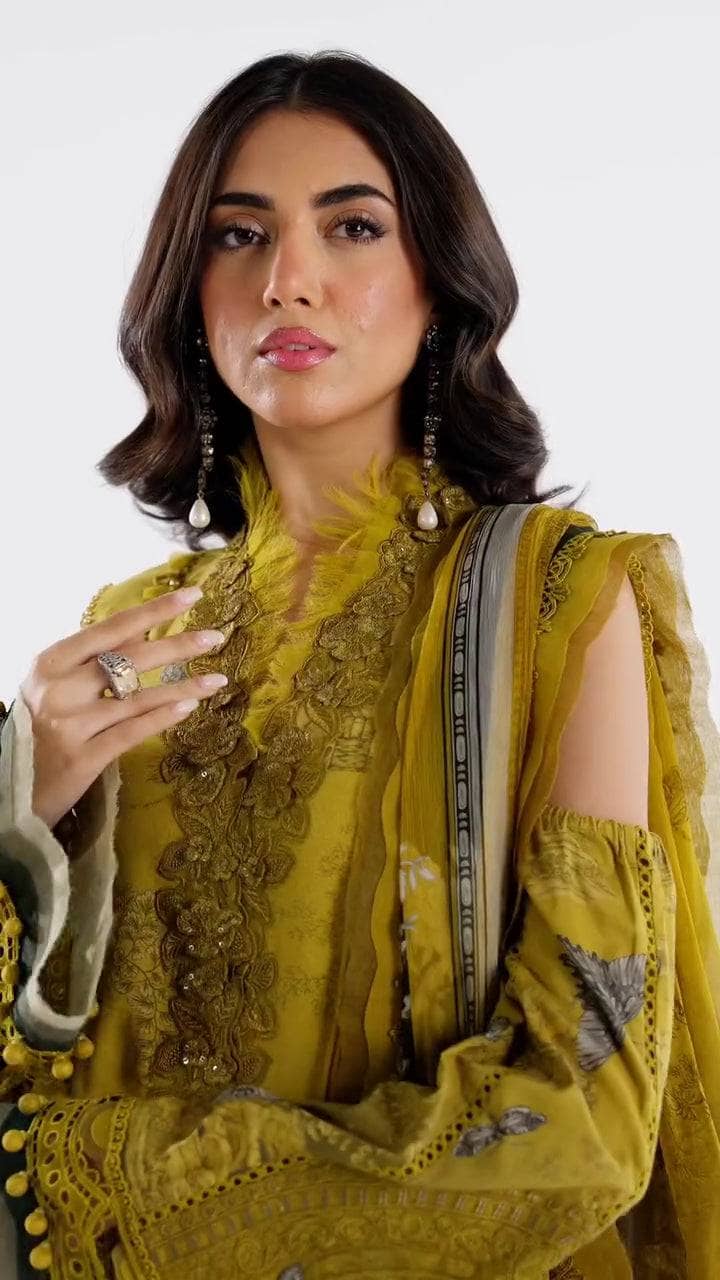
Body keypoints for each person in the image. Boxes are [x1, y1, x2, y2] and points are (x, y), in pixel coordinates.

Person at [0, 49, 718, 1280]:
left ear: (442, 279)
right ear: (188, 290)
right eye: (238, 235)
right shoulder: (127, 636)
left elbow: (583, 1120)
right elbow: (37, 1061)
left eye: (352, 227)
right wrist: (20, 806)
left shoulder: (557, 601)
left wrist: (115, 1202)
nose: (288, 279)